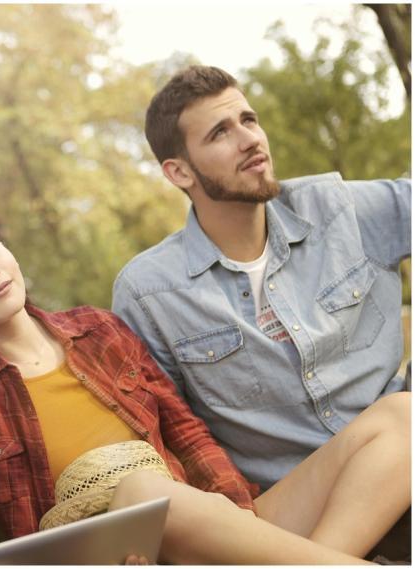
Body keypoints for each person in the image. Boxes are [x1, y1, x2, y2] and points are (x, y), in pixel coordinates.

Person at [0, 201, 410, 564]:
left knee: (401, 416)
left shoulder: (98, 329)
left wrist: (237, 518)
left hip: (215, 526)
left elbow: (188, 434)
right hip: (127, 556)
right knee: (143, 491)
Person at [111, 65, 412, 491]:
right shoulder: (149, 293)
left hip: (402, 461)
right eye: (220, 133)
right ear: (179, 172)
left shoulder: (340, 209)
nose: (250, 139)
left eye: (248, 120)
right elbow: (169, 435)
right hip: (292, 503)